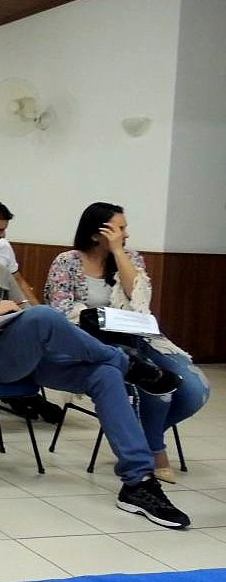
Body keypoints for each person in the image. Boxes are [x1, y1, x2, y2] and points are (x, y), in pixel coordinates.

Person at [0, 205, 190, 528]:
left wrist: (5, 313)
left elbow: (25, 314)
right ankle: (127, 362)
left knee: (104, 375)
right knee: (47, 317)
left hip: (28, 355)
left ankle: (138, 482)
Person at [44, 202, 209, 483]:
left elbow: (139, 300)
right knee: (159, 386)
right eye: (119, 229)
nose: (125, 234)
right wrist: (94, 315)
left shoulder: (130, 257)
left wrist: (119, 252)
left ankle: (139, 441)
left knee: (195, 389)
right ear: (98, 233)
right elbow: (59, 309)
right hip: (92, 340)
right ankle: (155, 451)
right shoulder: (67, 261)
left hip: (137, 334)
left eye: (124, 229)